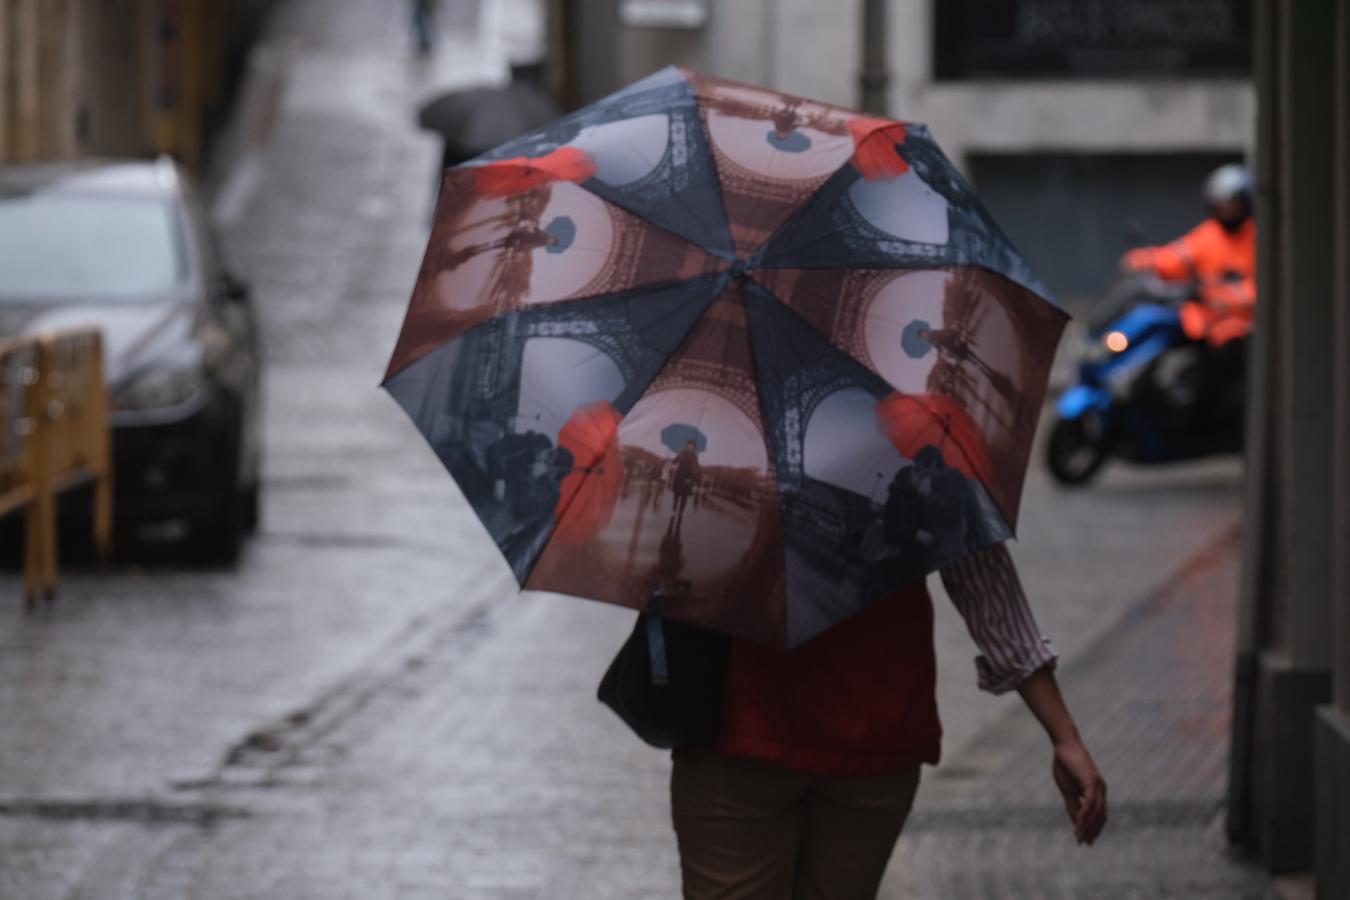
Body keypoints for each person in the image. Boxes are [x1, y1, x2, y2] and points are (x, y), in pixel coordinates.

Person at [668, 543, 1107, 899]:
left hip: (742, 726)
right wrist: (1064, 736)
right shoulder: (922, 442)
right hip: (875, 730)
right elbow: (983, 579)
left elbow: (670, 568)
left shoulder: (732, 438)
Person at [1120, 163, 1256, 420]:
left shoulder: (1256, 239)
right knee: (1160, 332)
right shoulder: (1210, 234)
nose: (1227, 211)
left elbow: (1258, 287)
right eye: (1221, 205)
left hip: (1235, 325)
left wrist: (1224, 297)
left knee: (1222, 361)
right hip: (1201, 318)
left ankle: (1209, 415)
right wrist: (1146, 260)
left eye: (1232, 205)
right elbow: (1178, 255)